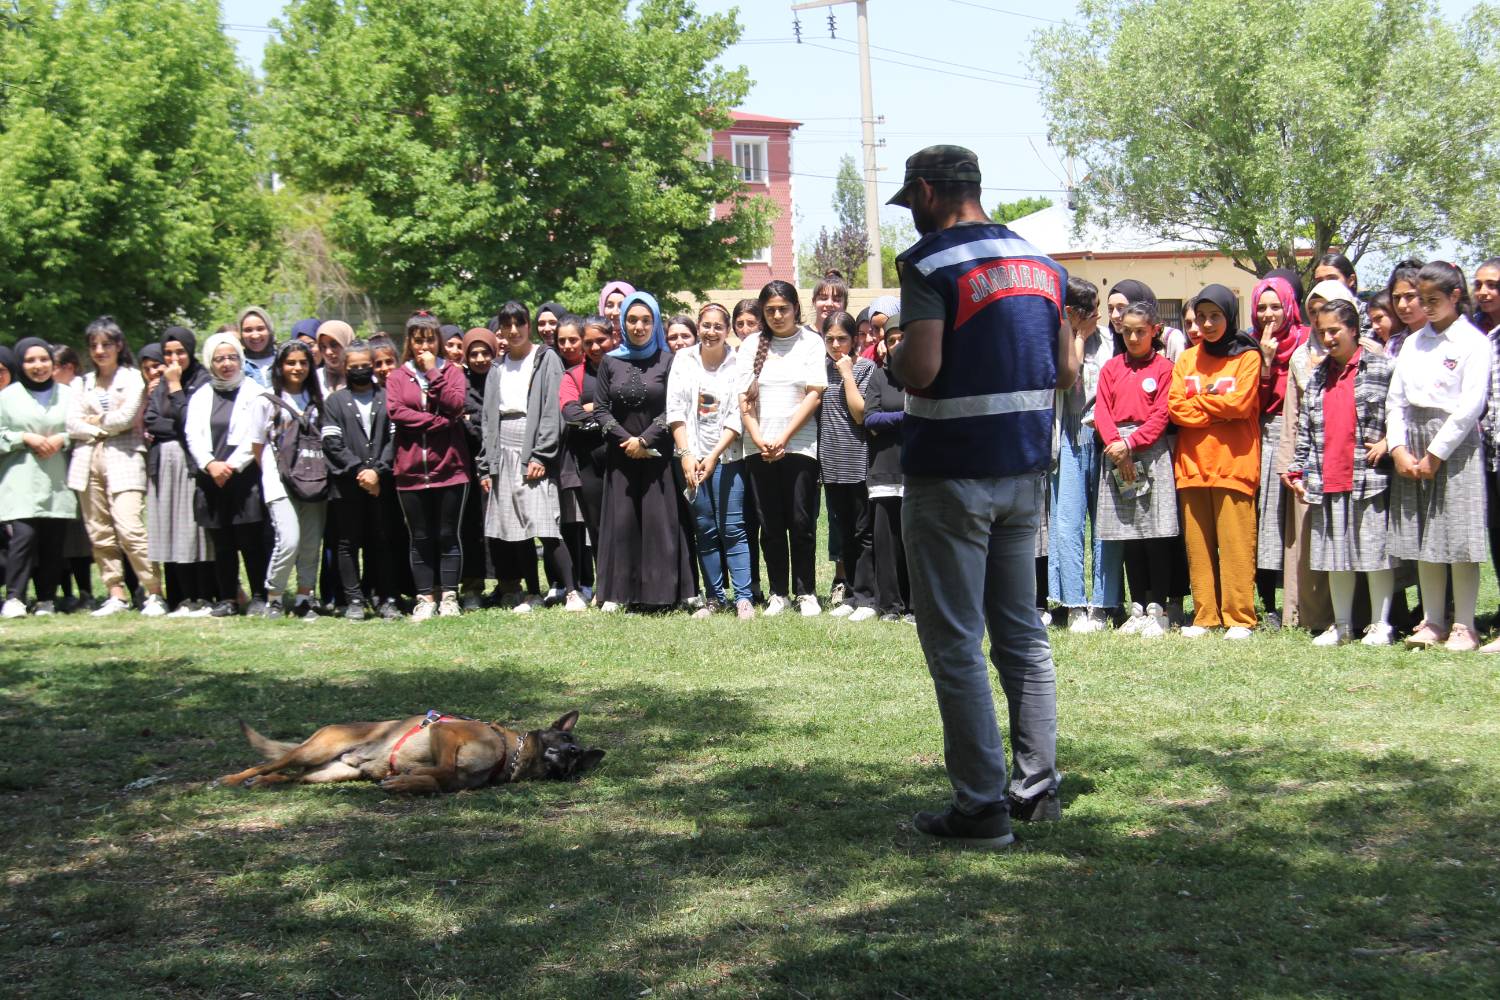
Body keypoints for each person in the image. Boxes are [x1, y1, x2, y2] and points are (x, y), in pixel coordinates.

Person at [886, 145, 1076, 846]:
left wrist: (890, 359)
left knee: (957, 641)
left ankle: (981, 807)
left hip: (949, 476)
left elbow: (925, 368)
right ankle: (1038, 789)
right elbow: (1061, 369)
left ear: (931, 191)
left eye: (914, 207)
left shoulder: (931, 265)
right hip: (1023, 473)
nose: (915, 222)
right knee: (1022, 635)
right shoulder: (1044, 265)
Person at [1387, 262, 1488, 651]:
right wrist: (1398, 448)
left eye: (1433, 300)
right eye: (1420, 299)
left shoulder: (1472, 342)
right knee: (1424, 535)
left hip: (1453, 444)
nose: (1425, 307)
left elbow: (1469, 406)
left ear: (1455, 297)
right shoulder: (1414, 342)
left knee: (1458, 537)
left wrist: (1435, 453)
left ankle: (1464, 624)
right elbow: (1396, 400)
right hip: (1412, 437)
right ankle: (1432, 621)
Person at [1285, 300, 1396, 646]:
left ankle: (1381, 624)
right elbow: (1305, 426)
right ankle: (1343, 624)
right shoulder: (1318, 374)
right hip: (1327, 474)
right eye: (1322, 332)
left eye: (1335, 330)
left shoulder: (1380, 368)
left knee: (1375, 553)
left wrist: (1391, 441)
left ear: (1353, 329)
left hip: (1368, 476)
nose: (1329, 338)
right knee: (1335, 556)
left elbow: (1400, 412)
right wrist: (1297, 468)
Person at [1168, 284, 1262, 638]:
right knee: (1198, 547)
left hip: (1234, 464)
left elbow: (1241, 405)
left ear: (1229, 316)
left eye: (1215, 316)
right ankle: (1205, 615)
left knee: (1237, 545)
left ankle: (1240, 618)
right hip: (1192, 466)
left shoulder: (1248, 356)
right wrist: (1219, 409)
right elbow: (1176, 408)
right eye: (1201, 317)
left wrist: (1201, 402)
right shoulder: (1187, 358)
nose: (1206, 324)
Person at [592, 290, 696, 611]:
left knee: (659, 524)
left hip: (659, 458)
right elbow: (600, 409)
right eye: (632, 320)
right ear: (623, 322)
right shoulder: (610, 361)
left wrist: (646, 440)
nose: (639, 326)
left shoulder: (669, 360)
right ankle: (618, 593)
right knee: (621, 525)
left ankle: (663, 593)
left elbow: (675, 406)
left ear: (655, 323)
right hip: (621, 457)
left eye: (646, 320)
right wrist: (627, 440)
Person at [479, 301, 583, 613]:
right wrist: (487, 465)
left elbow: (553, 410)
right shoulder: (497, 366)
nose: (513, 331)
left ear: (528, 325)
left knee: (546, 526)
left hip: (533, 447)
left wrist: (541, 453)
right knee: (516, 530)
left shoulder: (545, 358)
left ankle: (573, 591)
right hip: (503, 448)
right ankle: (532, 593)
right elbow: (488, 418)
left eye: (519, 323)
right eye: (507, 325)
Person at [65, 317, 166, 617]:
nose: (99, 350)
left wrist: (92, 423)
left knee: (130, 528)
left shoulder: (134, 378)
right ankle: (115, 593)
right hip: (87, 461)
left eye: (106, 344)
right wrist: (98, 427)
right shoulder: (81, 382)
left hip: (125, 458)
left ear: (118, 346)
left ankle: (154, 592)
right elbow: (71, 423)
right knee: (99, 532)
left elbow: (126, 418)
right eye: (94, 345)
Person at [738, 280, 827, 618]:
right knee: (770, 523)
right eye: (770, 310)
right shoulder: (751, 346)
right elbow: (743, 399)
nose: (777, 315)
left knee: (802, 521)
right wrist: (759, 438)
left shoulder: (810, 342)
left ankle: (806, 592)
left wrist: (785, 437)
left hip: (800, 446)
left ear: (795, 309)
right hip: (758, 447)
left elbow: (814, 393)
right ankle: (779, 592)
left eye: (783, 309)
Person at [1093, 301, 1177, 639]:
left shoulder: (1165, 368)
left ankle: (1158, 606)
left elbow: (1161, 414)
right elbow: (1102, 410)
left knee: (1153, 531)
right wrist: (1117, 445)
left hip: (1149, 450)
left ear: (1154, 330)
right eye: (1126, 331)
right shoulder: (1112, 368)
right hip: (1117, 451)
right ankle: (1137, 605)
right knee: (1129, 532)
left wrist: (1132, 444)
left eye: (1140, 331)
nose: (1132, 337)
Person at [667, 300, 752, 618]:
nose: (711, 331)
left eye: (718, 326)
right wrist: (687, 455)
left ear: (727, 329)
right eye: (706, 325)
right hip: (688, 459)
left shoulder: (738, 363)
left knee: (732, 528)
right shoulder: (683, 359)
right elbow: (674, 408)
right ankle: (715, 598)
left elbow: (738, 415)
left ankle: (743, 597)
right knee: (705, 529)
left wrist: (714, 455)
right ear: (698, 326)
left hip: (727, 458)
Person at [386, 311, 471, 621]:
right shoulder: (397, 376)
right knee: (420, 537)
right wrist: (437, 422)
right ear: (409, 342)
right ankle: (425, 598)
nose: (423, 346)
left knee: (449, 534)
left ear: (438, 341)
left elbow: (456, 404)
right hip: (410, 471)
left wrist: (433, 374)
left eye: (429, 339)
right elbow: (397, 412)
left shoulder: (451, 371)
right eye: (418, 340)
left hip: (450, 467)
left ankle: (449, 596)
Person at [185, 333, 276, 617]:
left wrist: (232, 466)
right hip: (211, 478)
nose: (227, 364)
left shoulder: (254, 392)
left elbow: (256, 434)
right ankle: (228, 598)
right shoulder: (201, 395)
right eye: (219, 358)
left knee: (251, 542)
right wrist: (211, 464)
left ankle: (260, 596)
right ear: (210, 362)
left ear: (241, 359)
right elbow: (192, 434)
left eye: (232, 357)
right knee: (222, 544)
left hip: (244, 477)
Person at [1051, 276, 1121, 633]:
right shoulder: (1056, 336)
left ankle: (1105, 603)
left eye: (1098, 308)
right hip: (1067, 434)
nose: (1097, 315)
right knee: (1068, 520)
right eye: (1089, 310)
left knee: (1105, 520)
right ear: (1070, 312)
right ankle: (1074, 603)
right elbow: (1067, 377)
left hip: (1102, 434)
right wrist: (1076, 335)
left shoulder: (1110, 340)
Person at [321, 340, 401, 620]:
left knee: (381, 541)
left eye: (365, 366)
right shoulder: (334, 402)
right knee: (347, 543)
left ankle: (386, 598)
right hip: (347, 486)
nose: (360, 370)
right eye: (354, 367)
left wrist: (377, 471)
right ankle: (354, 599)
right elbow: (331, 442)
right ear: (344, 368)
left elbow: (394, 439)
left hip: (381, 485)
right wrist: (360, 470)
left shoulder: (387, 397)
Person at [0, 337, 77, 617]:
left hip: (57, 479)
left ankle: (46, 598)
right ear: (21, 364)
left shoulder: (68, 395)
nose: (38, 366)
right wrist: (23, 437)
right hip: (20, 479)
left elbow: (84, 428)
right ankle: (15, 597)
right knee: (23, 538)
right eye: (30, 360)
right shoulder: (7, 396)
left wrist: (62, 438)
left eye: (44, 359)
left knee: (52, 542)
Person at [1250, 275, 1310, 629]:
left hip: (1302, 436)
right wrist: (1266, 363)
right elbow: (1252, 403)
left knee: (1297, 520)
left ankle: (1302, 598)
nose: (1269, 314)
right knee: (1267, 521)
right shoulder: (1249, 344)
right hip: (1264, 434)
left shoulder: (1306, 342)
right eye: (1261, 307)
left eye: (1275, 306)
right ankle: (1270, 604)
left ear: (1289, 307)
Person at [143, 328, 217, 615]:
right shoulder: (159, 383)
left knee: (192, 532)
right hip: (164, 465)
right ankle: (180, 598)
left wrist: (175, 389)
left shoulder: (202, 380)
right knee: (169, 529)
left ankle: (202, 595)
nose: (174, 358)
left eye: (180, 352)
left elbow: (192, 421)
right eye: (169, 353)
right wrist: (174, 424)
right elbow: (151, 420)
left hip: (190, 464)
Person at [818, 310, 878, 621]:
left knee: (863, 532)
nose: (836, 345)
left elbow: (860, 414)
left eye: (842, 338)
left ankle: (868, 597)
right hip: (830, 462)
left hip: (859, 459)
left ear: (854, 339)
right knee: (841, 531)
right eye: (830, 339)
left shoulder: (866, 369)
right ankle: (851, 593)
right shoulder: (818, 370)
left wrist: (846, 375)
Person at [264, 339, 328, 619]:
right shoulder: (266, 400)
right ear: (279, 366)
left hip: (315, 476)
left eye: (303, 362)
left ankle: (304, 597)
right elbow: (257, 445)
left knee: (311, 542)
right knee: (289, 539)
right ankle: (275, 596)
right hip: (279, 479)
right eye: (291, 362)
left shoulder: (319, 399)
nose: (297, 367)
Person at [862, 311, 912, 622]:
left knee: (914, 543)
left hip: (918, 472)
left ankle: (915, 606)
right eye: (891, 340)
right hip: (884, 471)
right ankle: (890, 606)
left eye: (901, 338)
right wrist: (905, 418)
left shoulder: (927, 374)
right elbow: (870, 419)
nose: (896, 344)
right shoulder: (880, 377)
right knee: (887, 542)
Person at [559, 316, 612, 597]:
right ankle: (605, 588)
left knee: (625, 521)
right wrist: (602, 411)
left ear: (613, 338)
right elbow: (570, 411)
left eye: (599, 341)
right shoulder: (573, 375)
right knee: (597, 526)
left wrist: (592, 407)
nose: (594, 347)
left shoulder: (622, 369)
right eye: (588, 342)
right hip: (589, 460)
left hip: (622, 455)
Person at [457, 327, 497, 609]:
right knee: (470, 526)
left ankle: (508, 583)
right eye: (474, 353)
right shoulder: (459, 384)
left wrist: (474, 419)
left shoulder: (503, 379)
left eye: (485, 352)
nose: (480, 358)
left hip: (498, 462)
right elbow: (461, 418)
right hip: (466, 465)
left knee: (501, 525)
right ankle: (472, 585)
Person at [1385, 258, 1428, 358]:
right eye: (1396, 297)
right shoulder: (1393, 344)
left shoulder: (1448, 339)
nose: (1401, 305)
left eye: (1410, 296)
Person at [238, 307, 277, 389]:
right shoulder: (237, 365)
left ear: (270, 330)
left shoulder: (283, 360)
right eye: (248, 330)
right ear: (241, 334)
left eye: (260, 329)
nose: (255, 335)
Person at [316, 320, 353, 395]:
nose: (328, 352)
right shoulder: (316, 378)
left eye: (334, 344)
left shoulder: (363, 376)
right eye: (323, 347)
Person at [598, 280, 636, 347]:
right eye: (610, 306)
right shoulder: (592, 342)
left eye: (622, 306)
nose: (615, 313)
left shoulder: (642, 342)